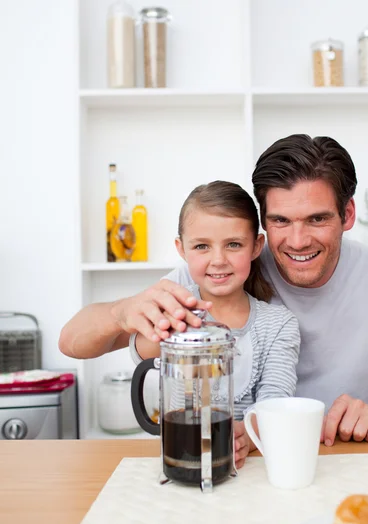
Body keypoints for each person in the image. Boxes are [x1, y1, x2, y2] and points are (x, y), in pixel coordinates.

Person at [59, 134, 368, 466]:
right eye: (281, 220)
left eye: (316, 219)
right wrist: (120, 311)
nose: (298, 241)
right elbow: (73, 342)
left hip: (346, 460)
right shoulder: (223, 271)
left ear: (347, 214)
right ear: (263, 224)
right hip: (245, 465)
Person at [61, 181, 300, 468]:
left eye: (234, 244)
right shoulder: (172, 314)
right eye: (201, 246)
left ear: (256, 246)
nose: (218, 260)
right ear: (182, 249)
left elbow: (276, 403)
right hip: (184, 463)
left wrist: (247, 436)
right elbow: (70, 343)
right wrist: (122, 313)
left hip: (256, 469)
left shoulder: (279, 324)